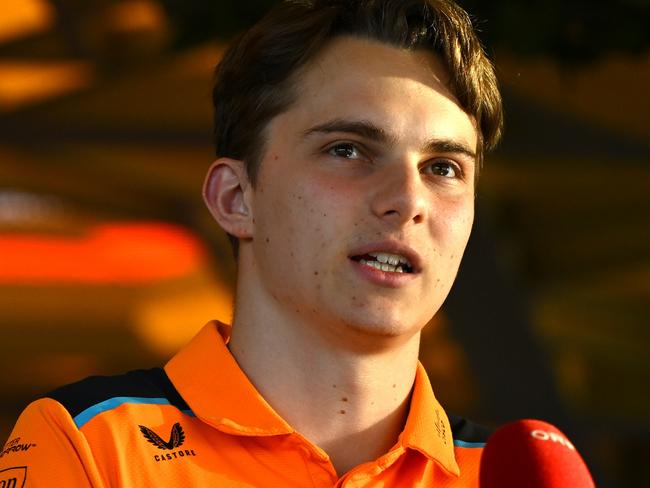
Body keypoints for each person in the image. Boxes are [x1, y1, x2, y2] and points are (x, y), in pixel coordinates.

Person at [0, 0, 503, 486]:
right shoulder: (90, 445)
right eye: (347, 150)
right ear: (236, 198)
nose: (407, 198)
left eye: (444, 168)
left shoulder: (515, 475)